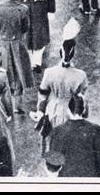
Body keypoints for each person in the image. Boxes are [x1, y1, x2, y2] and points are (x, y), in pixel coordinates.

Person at [35, 19, 88, 149]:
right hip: (70, 112)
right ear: (73, 54)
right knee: (68, 145)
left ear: (60, 53)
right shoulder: (80, 75)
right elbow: (84, 101)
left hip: (51, 111)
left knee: (51, 143)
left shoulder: (49, 72)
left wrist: (40, 112)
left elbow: (42, 96)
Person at [49, 94, 100, 177]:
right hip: (91, 180)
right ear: (83, 110)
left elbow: (53, 166)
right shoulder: (94, 129)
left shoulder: (58, 130)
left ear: (68, 110)